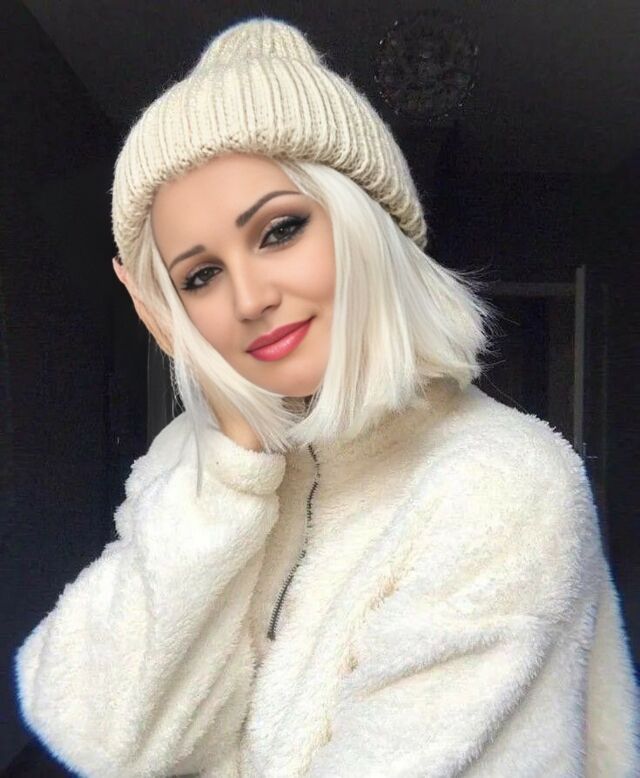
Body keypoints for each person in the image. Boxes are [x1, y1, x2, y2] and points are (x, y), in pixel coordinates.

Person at [13, 15, 639, 778]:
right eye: (199, 276)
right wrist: (232, 459)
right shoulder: (196, 460)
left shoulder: (504, 482)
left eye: (279, 231)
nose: (249, 298)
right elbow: (105, 738)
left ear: (366, 225)